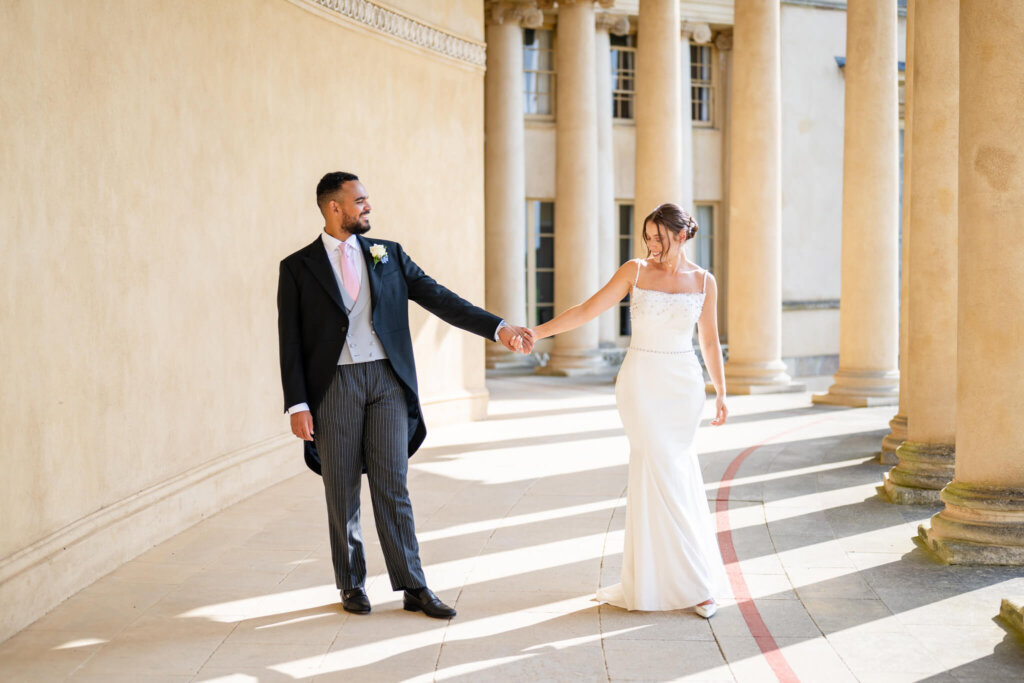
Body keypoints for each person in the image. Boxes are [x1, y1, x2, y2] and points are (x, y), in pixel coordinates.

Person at [277, 171, 532, 619]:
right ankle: (352, 583)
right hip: (334, 385)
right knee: (341, 489)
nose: (367, 206)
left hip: (388, 382)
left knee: (393, 484)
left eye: (367, 200)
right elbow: (291, 340)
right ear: (334, 208)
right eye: (359, 201)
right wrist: (297, 403)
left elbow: (440, 297)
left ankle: (413, 584)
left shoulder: (387, 255)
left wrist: (498, 328)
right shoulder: (297, 267)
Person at [529, 203, 728, 617]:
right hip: (641, 382)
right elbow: (586, 310)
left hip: (684, 385)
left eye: (660, 237)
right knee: (656, 466)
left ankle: (676, 579)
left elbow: (708, 342)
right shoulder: (634, 271)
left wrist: (721, 391)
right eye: (648, 237)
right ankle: (694, 585)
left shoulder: (704, 281)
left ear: (682, 234)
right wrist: (537, 333)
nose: (652, 245)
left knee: (675, 469)